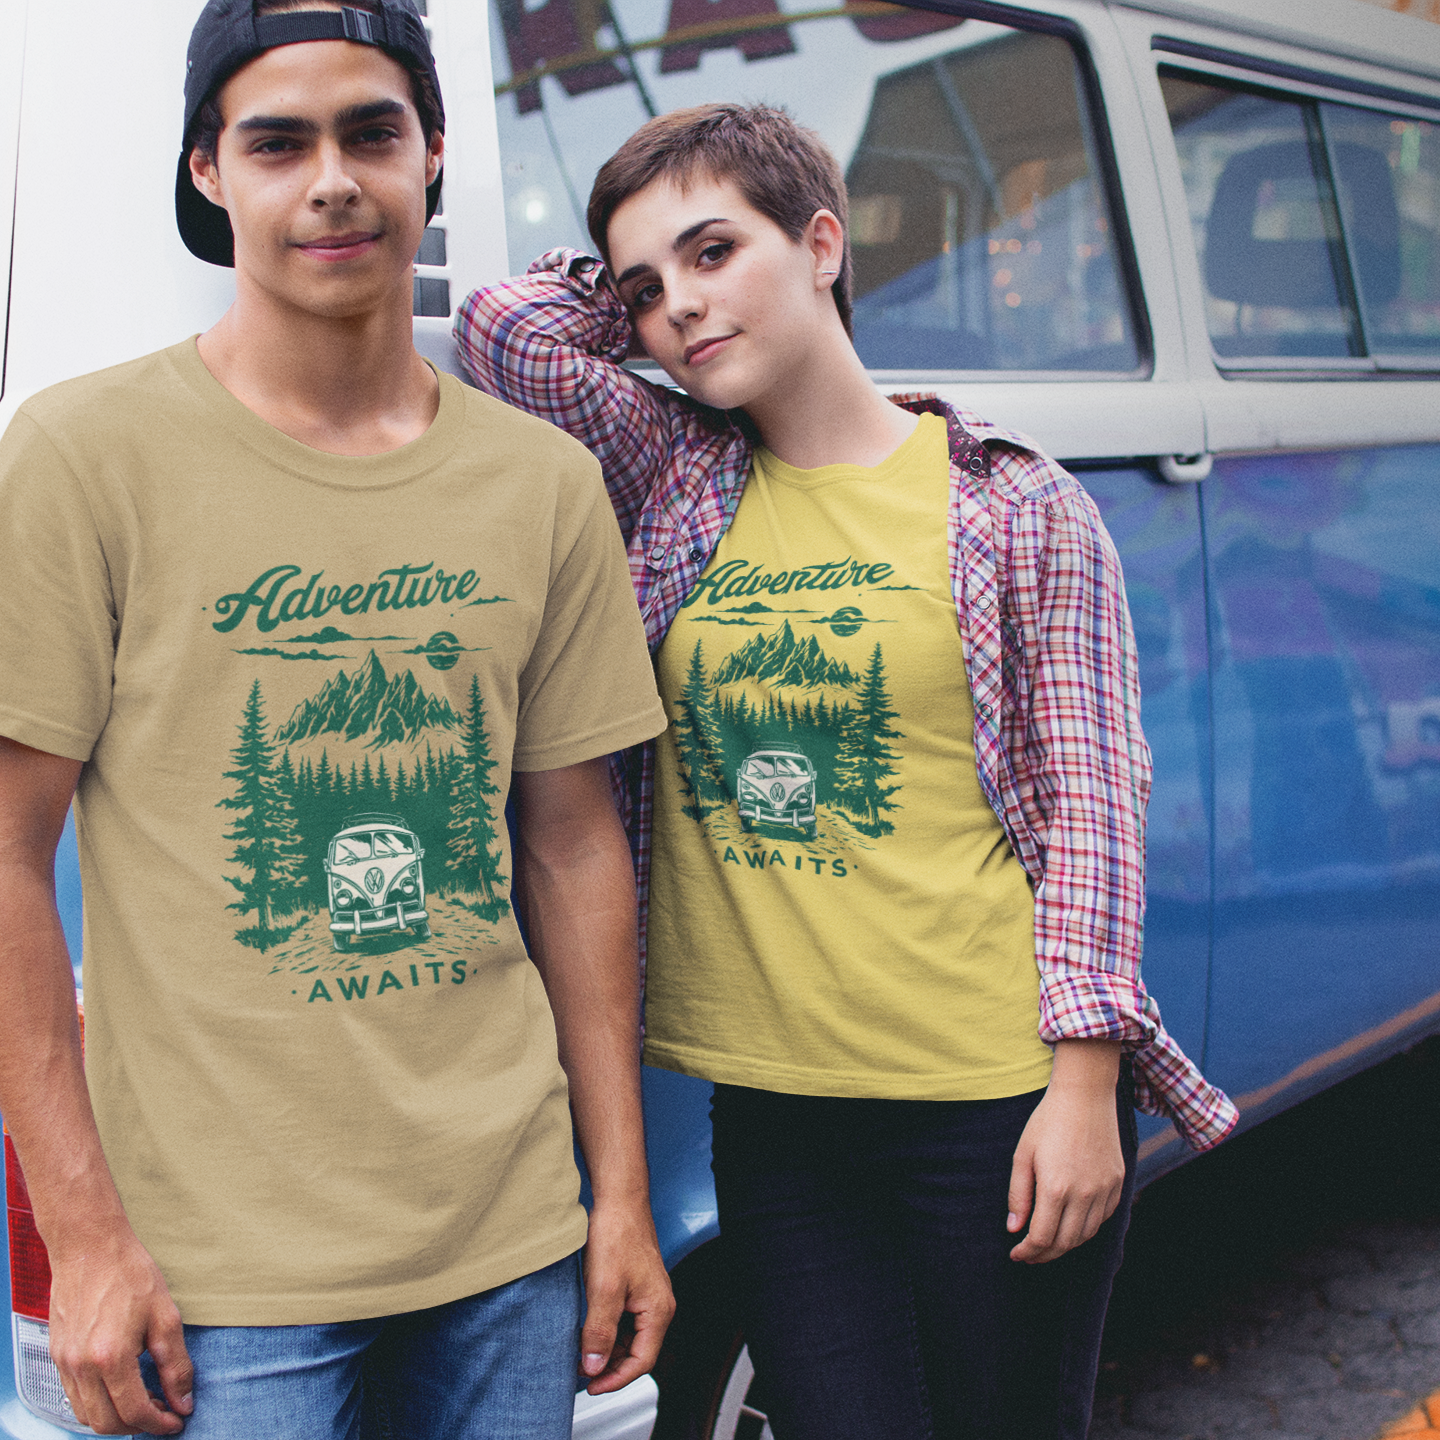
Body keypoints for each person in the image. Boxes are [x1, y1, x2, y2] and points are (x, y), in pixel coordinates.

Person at [454, 103, 1239, 1440]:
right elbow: (502, 333)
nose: (681, 309)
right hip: (779, 1116)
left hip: (988, 1102)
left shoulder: (1011, 500)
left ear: (824, 243)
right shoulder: (677, 476)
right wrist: (630, 269)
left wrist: (1085, 1088)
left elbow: (1098, 803)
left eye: (716, 252)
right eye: (649, 290)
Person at [0, 1, 675, 1436]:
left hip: (507, 1243)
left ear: (432, 155)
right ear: (208, 174)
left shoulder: (542, 483)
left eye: (372, 132)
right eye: (277, 140)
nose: (332, 180)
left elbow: (571, 848)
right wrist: (84, 1235)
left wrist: (617, 1195)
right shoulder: (80, 454)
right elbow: (4, 855)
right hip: (218, 1271)